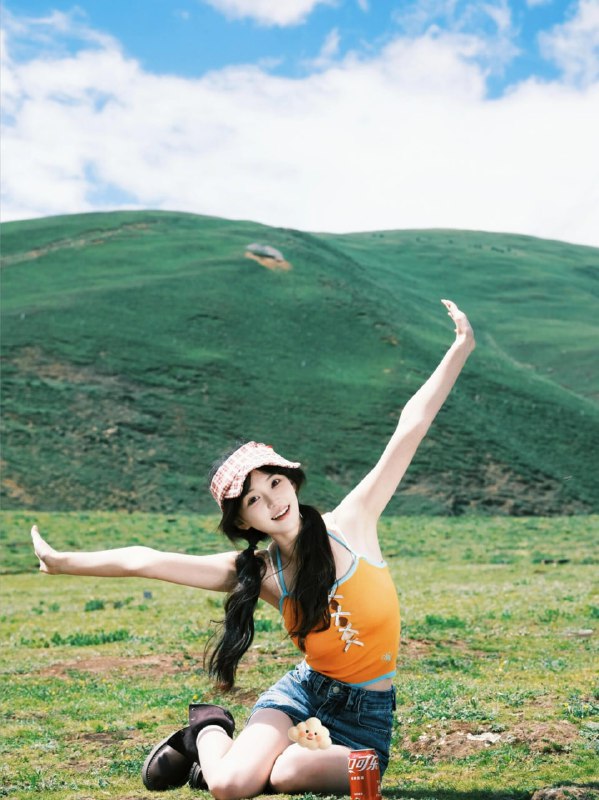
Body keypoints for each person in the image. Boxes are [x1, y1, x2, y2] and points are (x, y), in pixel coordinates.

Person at [31, 299, 475, 799]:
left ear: (291, 481)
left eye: (275, 483)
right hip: (301, 695)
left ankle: (254, 759)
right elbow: (146, 560)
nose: (273, 501)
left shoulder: (353, 522)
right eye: (254, 500)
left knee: (299, 775)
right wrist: (62, 562)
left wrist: (461, 348)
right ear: (244, 520)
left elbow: (410, 426)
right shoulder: (260, 573)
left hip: (365, 718)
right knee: (230, 787)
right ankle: (209, 731)